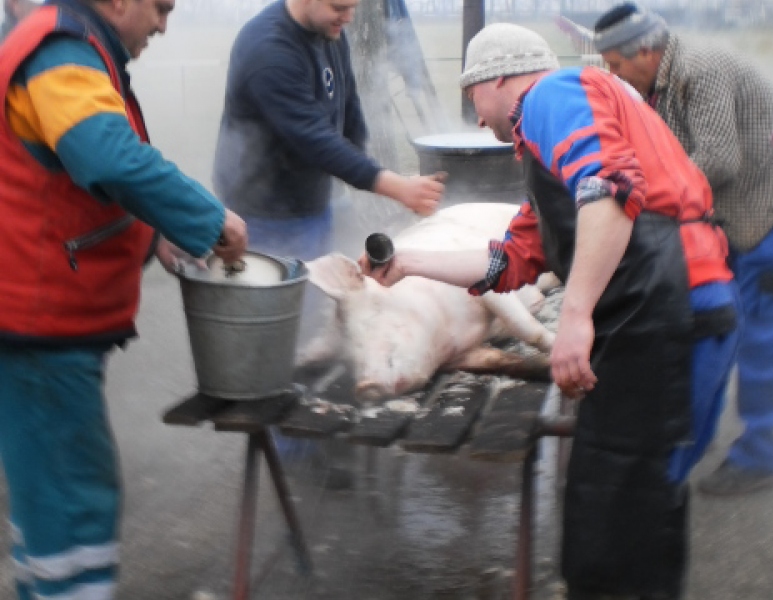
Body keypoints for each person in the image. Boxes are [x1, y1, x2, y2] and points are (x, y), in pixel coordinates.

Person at [362, 23, 739, 600]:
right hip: (657, 318)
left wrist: (575, 315)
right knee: (627, 499)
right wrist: (409, 263)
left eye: (474, 98)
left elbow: (610, 188)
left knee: (628, 510)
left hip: (675, 309)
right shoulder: (551, 147)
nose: (479, 118)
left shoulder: (553, 96)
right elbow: (507, 262)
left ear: (501, 79)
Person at [0, 0, 248, 598]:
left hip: (42, 327)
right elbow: (107, 156)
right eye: (161, 8)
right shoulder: (60, 49)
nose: (164, 24)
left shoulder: (77, 46)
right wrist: (210, 220)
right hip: (35, 330)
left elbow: (70, 178)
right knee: (72, 501)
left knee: (52, 496)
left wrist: (153, 234)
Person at [593, 2, 773, 497]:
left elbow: (716, 162)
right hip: (733, 222)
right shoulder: (660, 82)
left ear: (645, 51)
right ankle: (697, 430)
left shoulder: (701, 71)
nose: (613, 76)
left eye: (616, 66)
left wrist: (636, 203)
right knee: (713, 326)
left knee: (761, 343)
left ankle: (759, 458)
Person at [212, 0, 444, 264]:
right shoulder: (269, 51)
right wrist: (396, 187)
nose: (348, 17)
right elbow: (314, 139)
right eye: (339, 7)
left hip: (316, 202)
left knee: (322, 293)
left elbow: (349, 108)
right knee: (284, 301)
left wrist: (379, 172)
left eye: (353, 7)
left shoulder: (329, 32)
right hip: (263, 216)